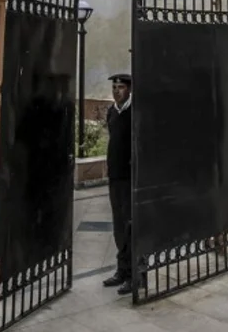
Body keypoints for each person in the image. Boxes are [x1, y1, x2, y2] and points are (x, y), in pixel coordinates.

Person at [102, 72, 133, 294]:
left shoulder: (135, 112)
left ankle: (135, 275)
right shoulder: (112, 112)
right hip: (115, 177)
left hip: (130, 177)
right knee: (119, 225)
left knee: (132, 225)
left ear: (129, 89)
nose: (116, 91)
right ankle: (122, 270)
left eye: (120, 87)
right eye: (114, 87)